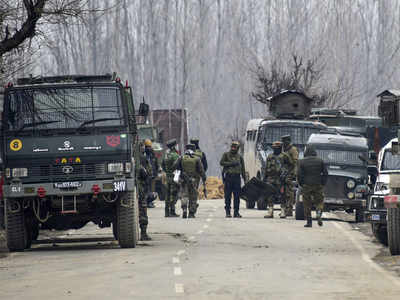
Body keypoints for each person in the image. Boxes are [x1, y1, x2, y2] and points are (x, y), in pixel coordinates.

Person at [297, 145, 328, 227]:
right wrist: (323, 183)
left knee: (306, 203)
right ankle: (318, 212)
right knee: (319, 201)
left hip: (306, 185)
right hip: (318, 185)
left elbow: (299, 175)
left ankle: (309, 221)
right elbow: (325, 173)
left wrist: (301, 184)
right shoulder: (320, 161)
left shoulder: (302, 162)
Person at [174, 144, 206, 218]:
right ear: (193, 149)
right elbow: (201, 170)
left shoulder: (181, 158)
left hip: (183, 180)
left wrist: (179, 173)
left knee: (184, 195)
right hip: (194, 180)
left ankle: (184, 209)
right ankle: (191, 213)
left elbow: (174, 166)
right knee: (193, 197)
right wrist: (204, 178)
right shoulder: (197, 158)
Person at [263, 141, 292, 219]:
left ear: (280, 148)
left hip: (280, 179)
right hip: (271, 179)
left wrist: (286, 175)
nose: (275, 149)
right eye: (274, 147)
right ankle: (270, 211)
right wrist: (264, 178)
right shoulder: (270, 156)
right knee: (270, 195)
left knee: (282, 195)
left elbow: (291, 166)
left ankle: (283, 211)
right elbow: (266, 168)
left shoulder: (285, 156)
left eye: (277, 148)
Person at [220, 141, 247, 218]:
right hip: (228, 177)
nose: (233, 148)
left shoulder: (239, 157)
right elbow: (221, 162)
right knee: (228, 196)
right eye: (232, 147)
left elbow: (243, 169)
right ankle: (228, 212)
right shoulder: (226, 155)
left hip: (237, 178)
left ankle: (236, 212)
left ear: (237, 148)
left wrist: (245, 179)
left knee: (237, 196)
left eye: (235, 147)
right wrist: (231, 164)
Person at [136, 142, 152, 241]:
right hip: (141, 188)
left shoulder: (128, 157)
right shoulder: (143, 158)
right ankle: (143, 233)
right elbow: (149, 172)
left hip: (132, 188)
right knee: (142, 210)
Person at [161, 138, 180, 217]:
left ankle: (166, 212)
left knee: (167, 195)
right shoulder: (175, 155)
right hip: (174, 176)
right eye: (176, 145)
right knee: (174, 194)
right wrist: (177, 176)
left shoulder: (166, 155)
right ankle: (172, 211)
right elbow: (178, 166)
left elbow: (162, 165)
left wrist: (167, 171)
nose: (177, 147)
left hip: (167, 176)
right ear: (173, 147)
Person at [281, 135, 298, 217]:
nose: (283, 143)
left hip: (290, 173)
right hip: (284, 173)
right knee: (283, 192)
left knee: (289, 192)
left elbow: (295, 162)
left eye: (285, 141)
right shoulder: (285, 149)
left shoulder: (293, 150)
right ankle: (285, 209)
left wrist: (294, 173)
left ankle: (289, 210)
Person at [143, 139, 159, 208]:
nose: (148, 149)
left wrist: (155, 173)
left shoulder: (152, 155)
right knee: (148, 189)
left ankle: (149, 201)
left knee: (151, 190)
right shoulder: (144, 155)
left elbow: (156, 165)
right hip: (147, 175)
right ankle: (147, 202)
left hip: (151, 175)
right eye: (147, 147)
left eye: (149, 147)